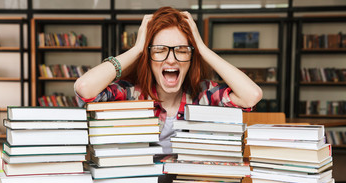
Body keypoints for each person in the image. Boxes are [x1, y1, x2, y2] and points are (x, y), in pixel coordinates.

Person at [74, 6, 263, 154]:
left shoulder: (205, 94)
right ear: (147, 58)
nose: (171, 59)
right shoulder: (131, 93)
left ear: (191, 57)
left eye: (181, 50)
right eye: (159, 50)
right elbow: (84, 88)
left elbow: (251, 96)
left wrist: (202, 49)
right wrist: (137, 49)